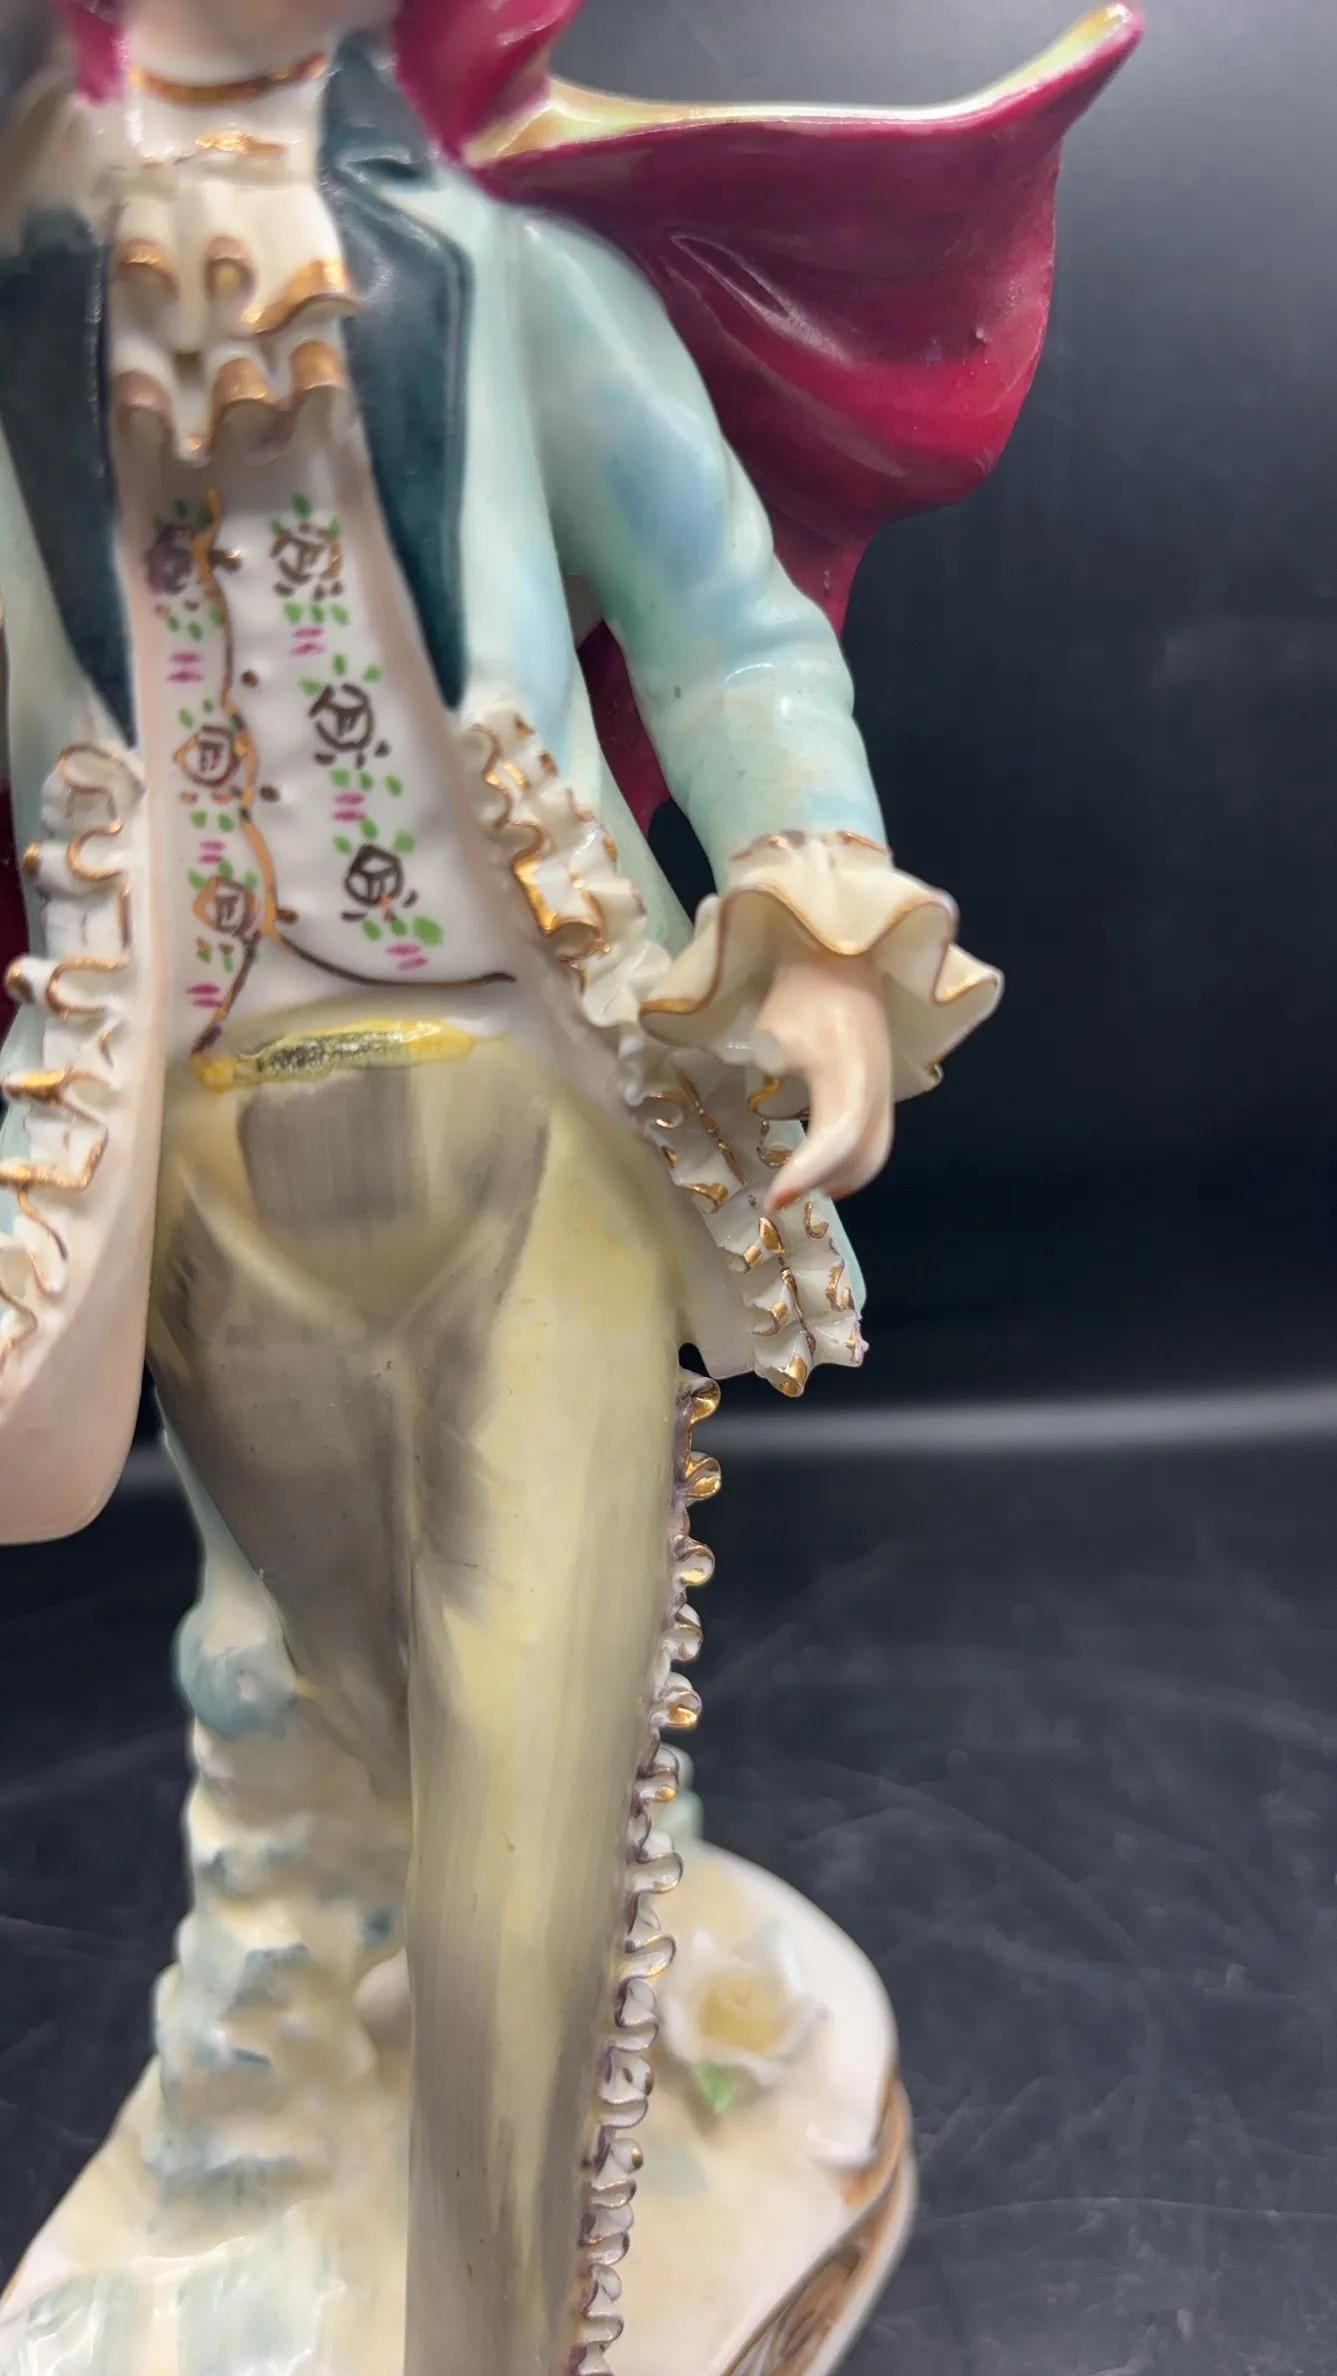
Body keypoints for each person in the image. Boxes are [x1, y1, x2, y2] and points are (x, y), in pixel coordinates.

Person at [0, 4, 1136, 2372]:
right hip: (204, 1165)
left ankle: (493, 2324)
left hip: (536, 1116)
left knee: (536, 1768)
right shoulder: (28, 313)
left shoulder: (506, 284)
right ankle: (291, 2075)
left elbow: (725, 628)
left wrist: (813, 929)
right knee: (313, 1690)